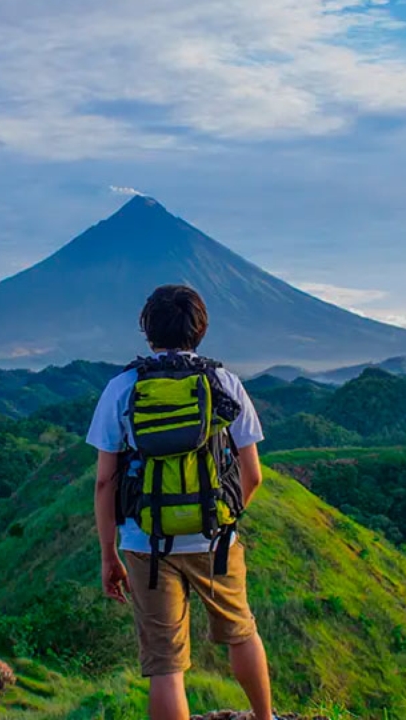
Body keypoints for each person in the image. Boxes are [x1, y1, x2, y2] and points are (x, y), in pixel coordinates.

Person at [88, 284, 273, 720]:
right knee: (241, 632)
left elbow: (104, 482)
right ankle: (266, 718)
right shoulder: (224, 382)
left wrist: (108, 553)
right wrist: (222, 519)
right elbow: (253, 475)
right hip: (216, 539)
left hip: (145, 541)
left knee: (166, 666)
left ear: (147, 330)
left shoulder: (123, 387)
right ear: (200, 329)